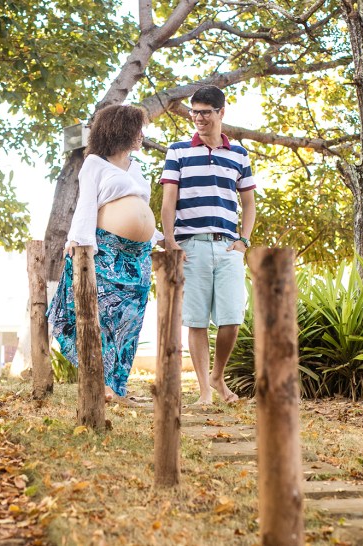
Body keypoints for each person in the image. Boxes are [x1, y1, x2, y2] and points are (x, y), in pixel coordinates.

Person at [47, 104, 162, 406]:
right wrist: (79, 241)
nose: (141, 134)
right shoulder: (94, 163)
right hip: (108, 252)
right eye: (136, 128)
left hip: (137, 256)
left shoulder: (135, 166)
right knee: (103, 318)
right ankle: (103, 385)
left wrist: (155, 237)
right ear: (120, 129)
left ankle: (118, 388)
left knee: (131, 321)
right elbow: (86, 205)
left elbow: (141, 205)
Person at [159, 85, 257, 405]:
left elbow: (249, 203)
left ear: (221, 113)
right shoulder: (178, 151)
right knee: (197, 320)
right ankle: (204, 391)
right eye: (194, 112)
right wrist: (171, 240)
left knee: (232, 318)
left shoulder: (239, 154)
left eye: (205, 112)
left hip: (228, 247)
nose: (198, 118)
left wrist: (243, 240)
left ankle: (218, 375)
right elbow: (168, 200)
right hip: (192, 245)